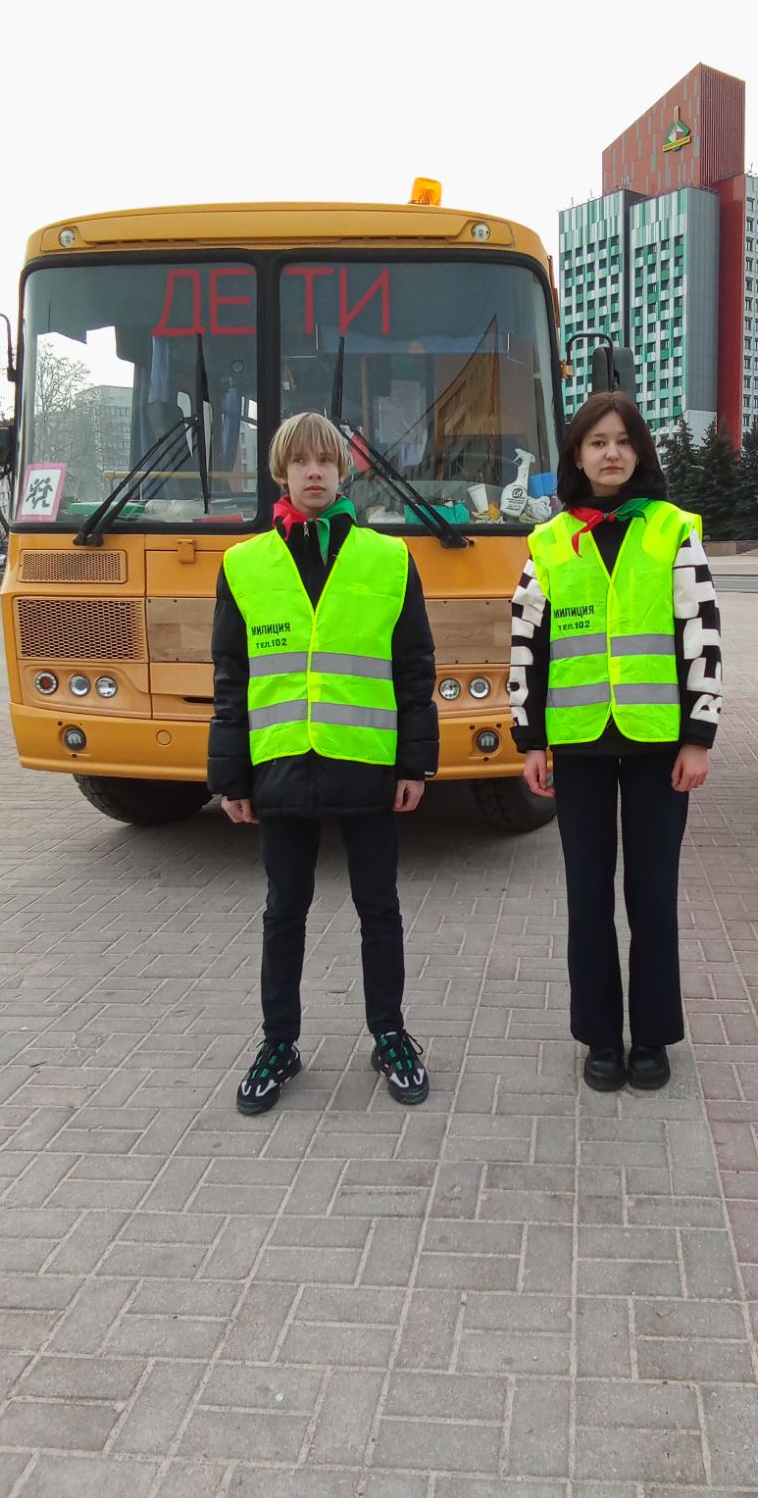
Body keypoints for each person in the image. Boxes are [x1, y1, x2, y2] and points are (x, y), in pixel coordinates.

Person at [209, 411, 438, 1113]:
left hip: (367, 766)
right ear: (281, 471)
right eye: (300, 461)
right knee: (284, 911)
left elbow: (413, 668)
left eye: (326, 461)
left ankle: (390, 1033)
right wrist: (229, 777)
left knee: (380, 908)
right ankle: (279, 1042)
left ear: (344, 471)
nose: (314, 472)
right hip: (280, 768)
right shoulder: (244, 565)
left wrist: (415, 765)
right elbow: (231, 675)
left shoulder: (387, 558)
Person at [508, 392, 721, 1092]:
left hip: (661, 744)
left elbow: (702, 633)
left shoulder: (670, 530)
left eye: (623, 440)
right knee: (587, 897)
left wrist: (700, 735)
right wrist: (529, 738)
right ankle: (600, 1037)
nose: (610, 453)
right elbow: (525, 647)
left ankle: (652, 1038)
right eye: (596, 441)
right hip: (577, 746)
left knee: (653, 896)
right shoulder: (548, 541)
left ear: (640, 453)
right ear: (576, 455)